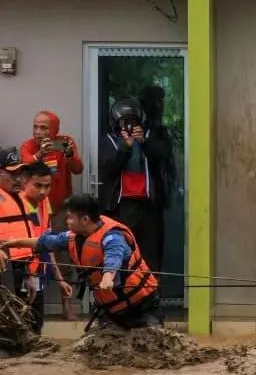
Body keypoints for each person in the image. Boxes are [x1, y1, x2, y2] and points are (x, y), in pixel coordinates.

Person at [0, 193, 162, 331]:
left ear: (85, 219)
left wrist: (107, 277)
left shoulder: (113, 237)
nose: (66, 221)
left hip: (141, 307)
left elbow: (114, 257)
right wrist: (14, 243)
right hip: (112, 311)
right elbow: (45, 242)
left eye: (70, 217)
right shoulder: (72, 237)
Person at [98, 98, 174, 274]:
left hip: (148, 205)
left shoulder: (148, 137)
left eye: (133, 121)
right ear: (116, 122)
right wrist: (125, 147)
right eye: (125, 122)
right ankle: (122, 295)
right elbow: (110, 169)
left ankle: (151, 295)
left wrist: (144, 143)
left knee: (150, 254)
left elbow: (164, 154)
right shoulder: (108, 141)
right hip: (120, 207)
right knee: (122, 251)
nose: (129, 126)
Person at [21, 111, 83, 321]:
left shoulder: (64, 142)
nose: (38, 131)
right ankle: (32, 309)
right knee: (31, 256)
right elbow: (26, 166)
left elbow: (78, 169)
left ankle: (67, 306)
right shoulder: (29, 146)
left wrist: (69, 154)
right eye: (35, 126)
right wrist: (39, 155)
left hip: (60, 212)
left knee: (64, 258)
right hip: (33, 210)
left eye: (44, 127)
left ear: (54, 129)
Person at [19, 161, 73, 330]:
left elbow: (46, 244)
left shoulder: (44, 202)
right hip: (17, 273)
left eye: (47, 186)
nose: (43, 191)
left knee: (36, 323)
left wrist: (60, 279)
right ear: (24, 181)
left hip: (37, 274)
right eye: (38, 186)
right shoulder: (18, 206)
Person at [0, 149, 40, 331]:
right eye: (12, 173)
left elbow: (30, 237)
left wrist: (30, 274)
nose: (18, 179)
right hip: (3, 270)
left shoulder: (23, 200)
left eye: (20, 173)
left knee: (21, 320)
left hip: (21, 269)